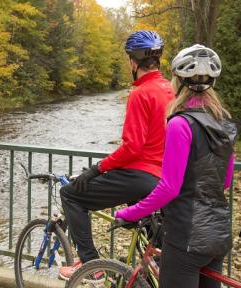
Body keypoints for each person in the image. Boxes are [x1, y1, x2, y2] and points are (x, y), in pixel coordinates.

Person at [115, 44, 237, 288]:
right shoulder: (224, 122)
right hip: (217, 234)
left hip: (186, 237)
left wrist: (129, 212)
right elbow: (225, 181)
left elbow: (169, 187)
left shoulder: (180, 124)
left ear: (178, 81)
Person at [58, 30, 174, 280]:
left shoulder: (140, 93)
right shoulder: (170, 89)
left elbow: (132, 148)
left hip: (141, 175)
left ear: (133, 62)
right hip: (165, 180)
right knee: (156, 250)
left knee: (70, 195)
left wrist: (96, 169)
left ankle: (91, 266)